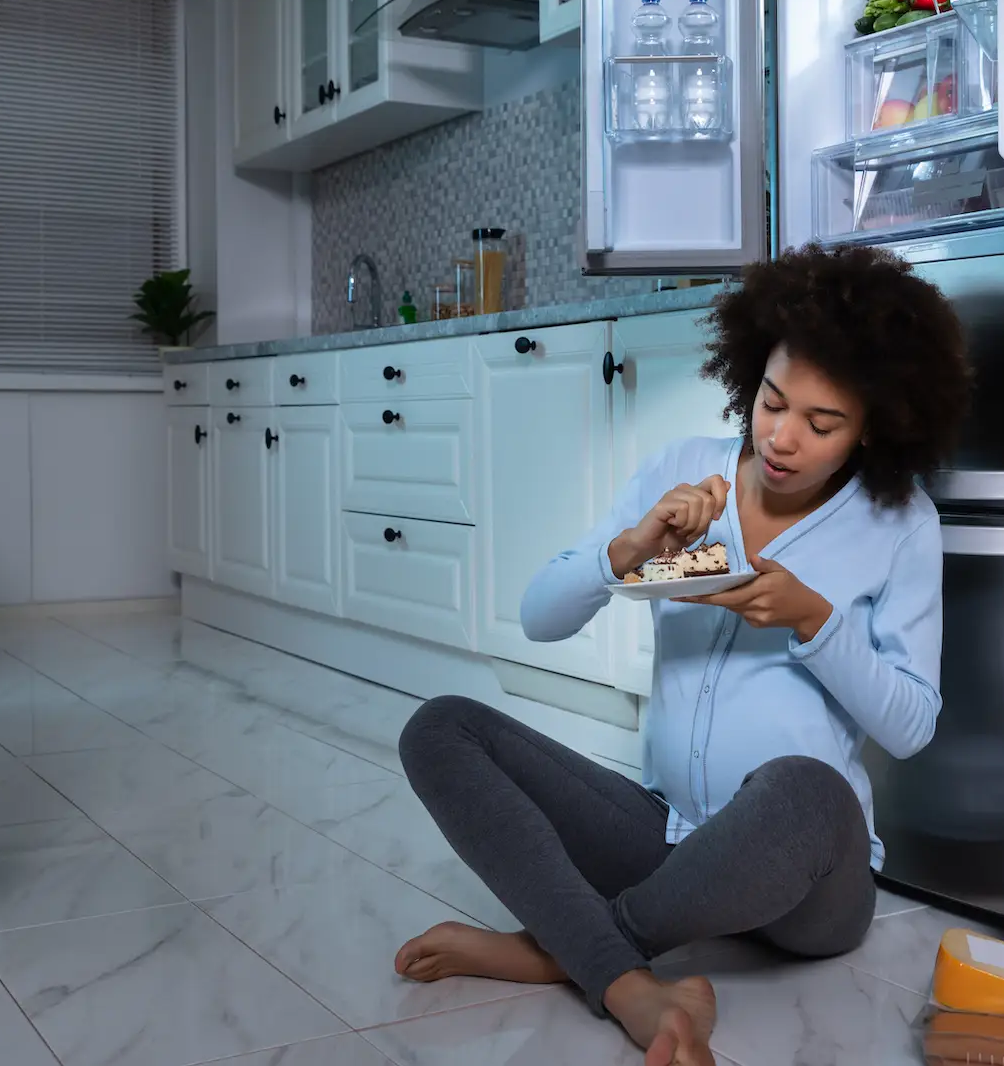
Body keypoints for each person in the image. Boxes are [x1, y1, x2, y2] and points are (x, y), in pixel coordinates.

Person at [391, 244, 972, 1066]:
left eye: (822, 422)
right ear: (750, 375)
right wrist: (631, 548)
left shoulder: (900, 522)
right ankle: (629, 981)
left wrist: (815, 622)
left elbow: (912, 726)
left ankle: (567, 950)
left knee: (807, 787)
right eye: (772, 402)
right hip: (668, 839)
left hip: (811, 883)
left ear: (874, 425)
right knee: (441, 728)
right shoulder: (685, 472)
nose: (782, 438)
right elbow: (538, 618)